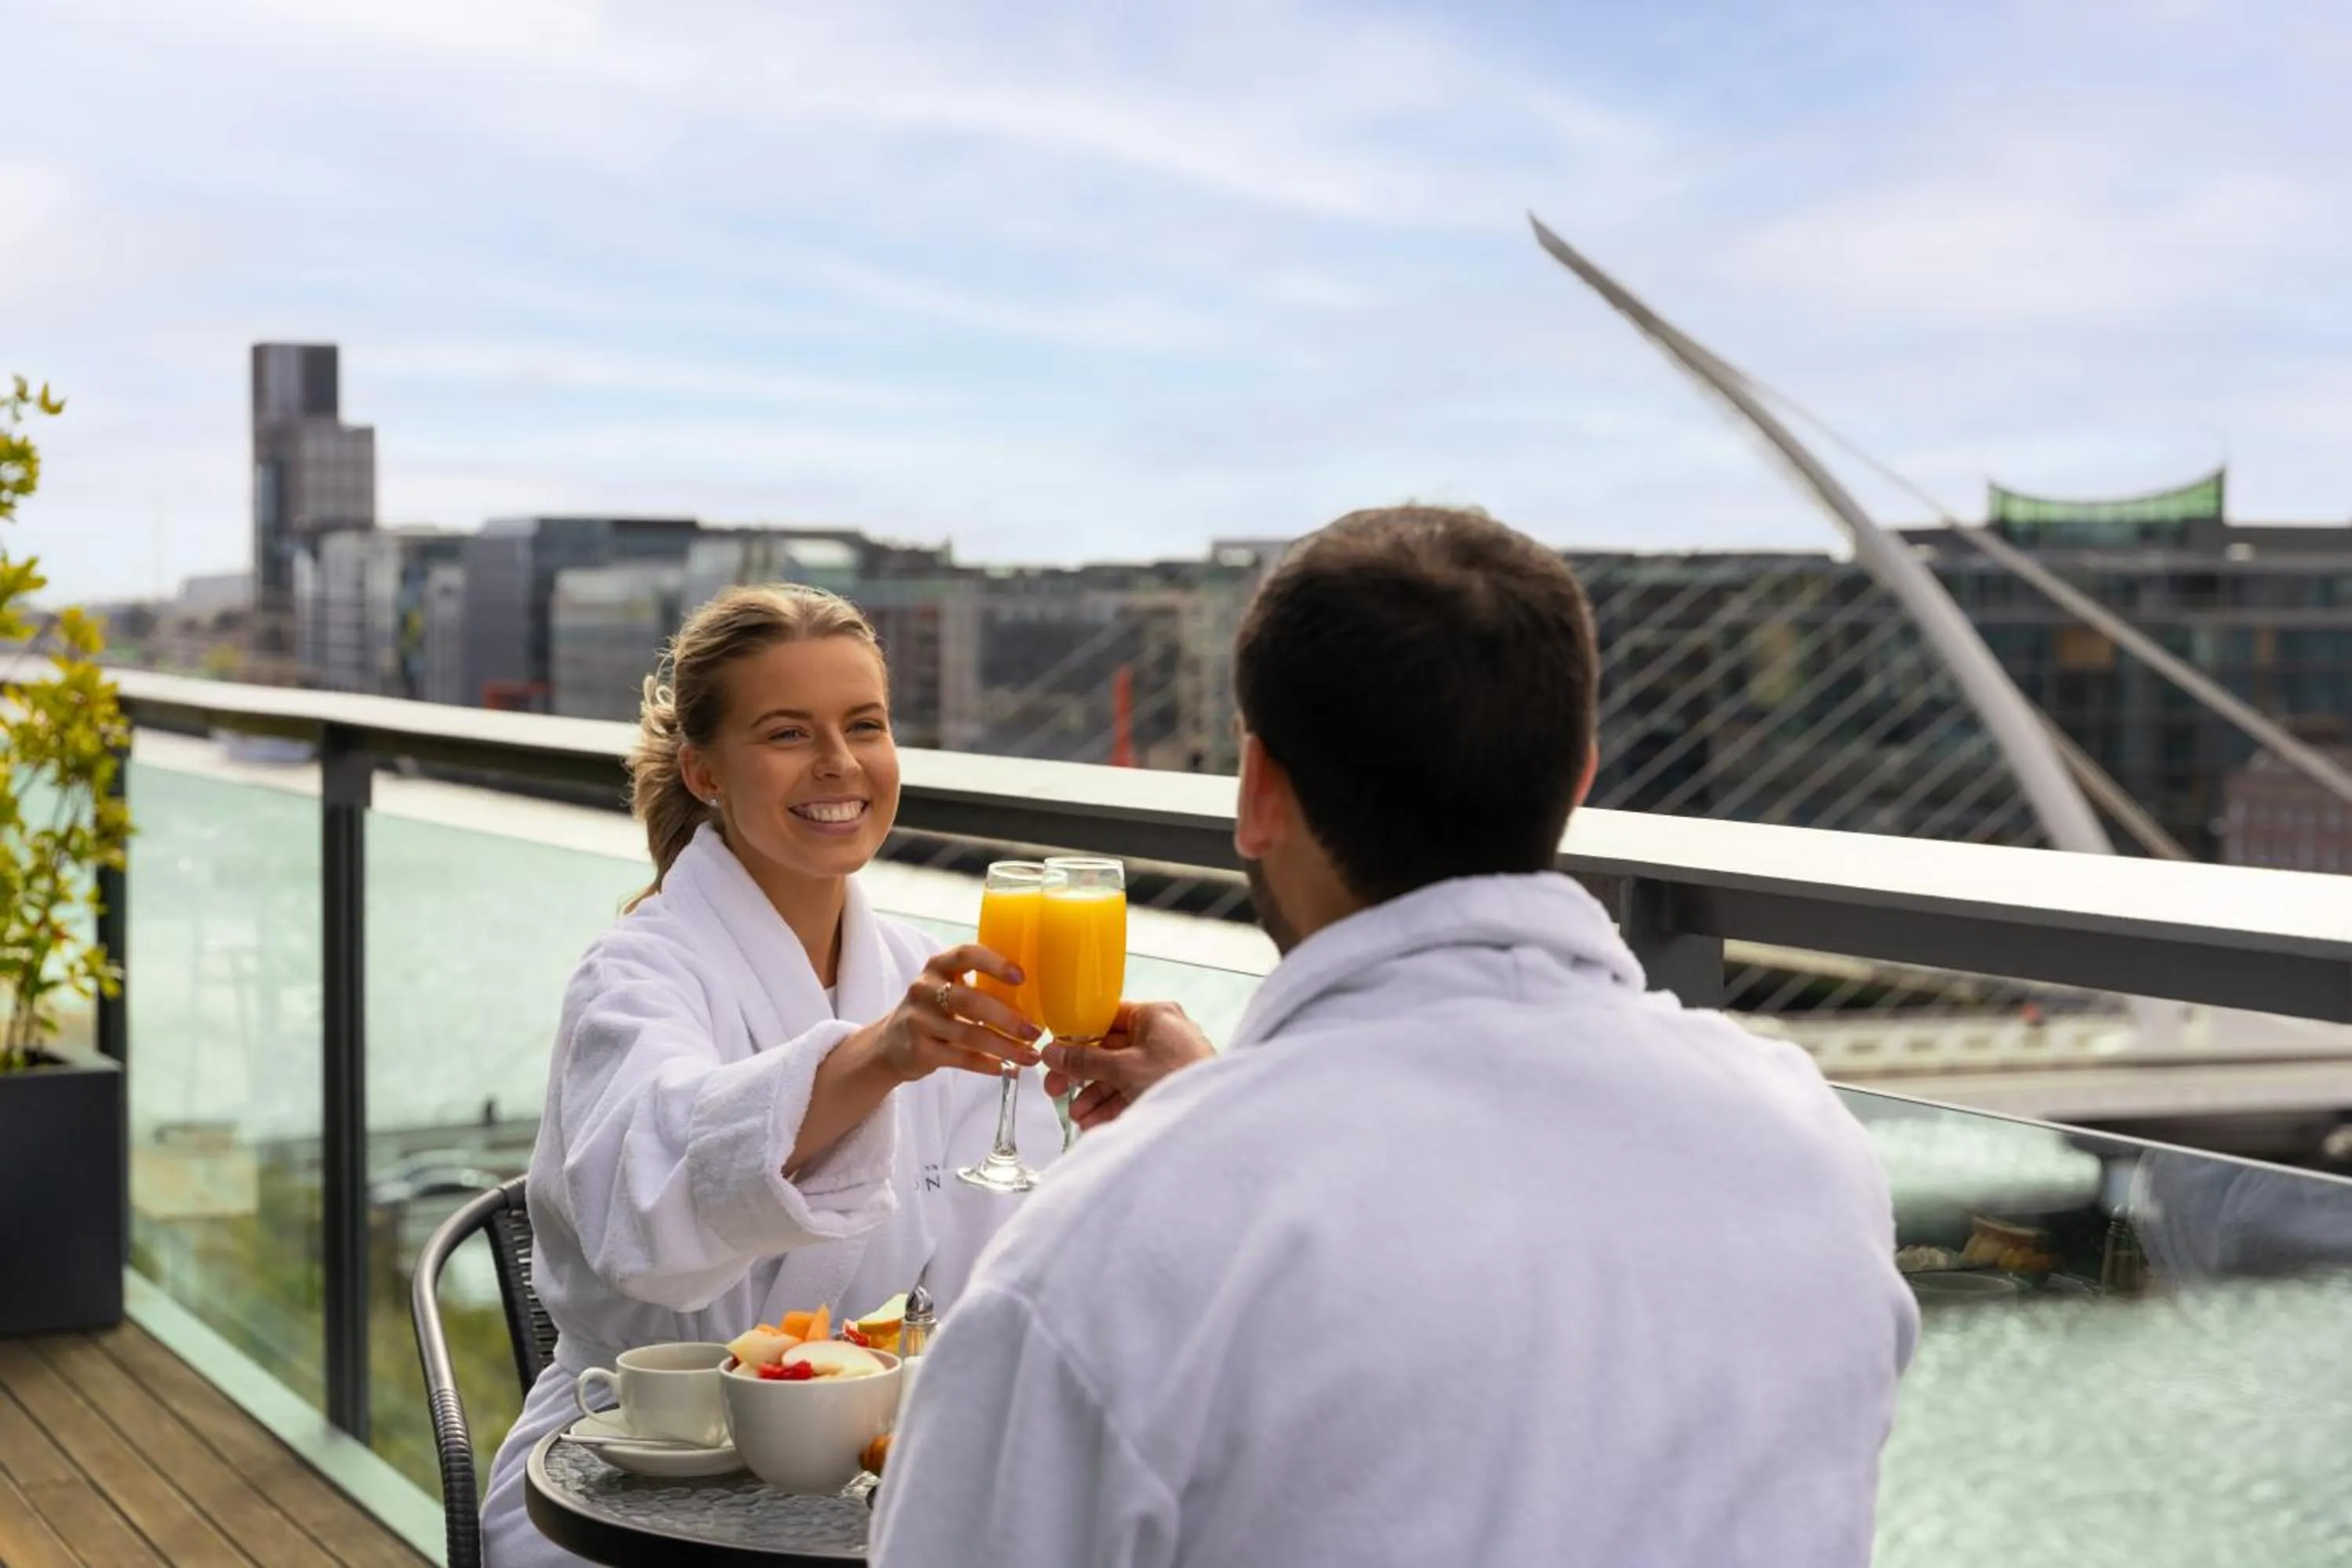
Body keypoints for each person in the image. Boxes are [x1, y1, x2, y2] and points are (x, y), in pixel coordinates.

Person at [875, 506, 1919, 1568]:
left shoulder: (1109, 1249)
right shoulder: (1813, 1153)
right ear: (1577, 780)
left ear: (1258, 791)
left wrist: (1219, 1134)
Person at [481, 584, 1063, 1566]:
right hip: (627, 1478)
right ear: (705, 771)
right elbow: (647, 1202)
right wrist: (878, 1057)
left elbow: (1004, 1268)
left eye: (864, 725)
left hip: (870, 1471)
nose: (840, 763)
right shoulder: (636, 974)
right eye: (789, 732)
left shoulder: (922, 984)